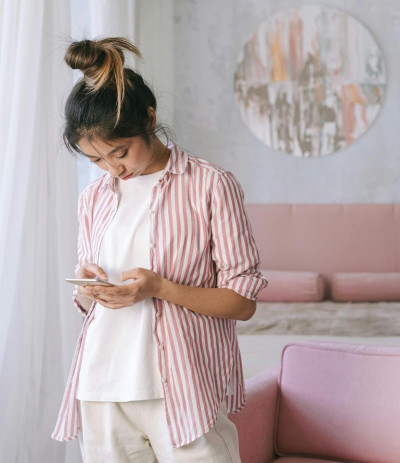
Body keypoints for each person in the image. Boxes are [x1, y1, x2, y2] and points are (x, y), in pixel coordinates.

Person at [51, 36, 268, 462]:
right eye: (96, 160)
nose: (113, 169)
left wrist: (158, 288)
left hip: (181, 391)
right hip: (102, 386)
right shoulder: (93, 199)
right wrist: (87, 290)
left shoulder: (210, 185)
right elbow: (87, 305)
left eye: (120, 152)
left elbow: (242, 303)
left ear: (149, 119)